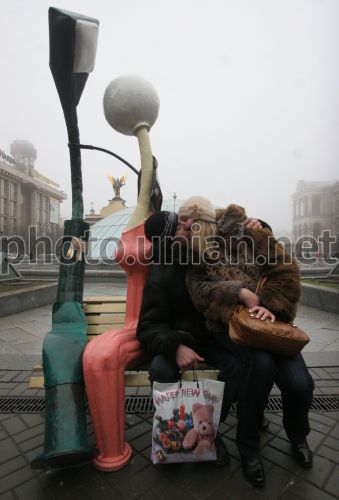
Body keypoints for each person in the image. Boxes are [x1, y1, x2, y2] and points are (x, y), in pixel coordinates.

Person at [182, 198, 314, 487]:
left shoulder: (250, 232)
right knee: (259, 369)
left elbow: (285, 272)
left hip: (273, 326)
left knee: (300, 384)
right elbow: (201, 292)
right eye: (186, 223)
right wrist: (238, 292)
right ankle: (249, 448)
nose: (190, 228)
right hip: (236, 329)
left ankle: (298, 435)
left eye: (195, 222)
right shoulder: (196, 252)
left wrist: (270, 305)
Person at [136, 199, 267, 469]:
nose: (188, 223)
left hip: (208, 339)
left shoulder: (202, 253)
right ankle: (172, 440)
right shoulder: (161, 275)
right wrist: (175, 346)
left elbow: (230, 229)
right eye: (179, 224)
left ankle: (210, 431)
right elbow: (147, 327)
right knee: (161, 370)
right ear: (168, 238)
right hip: (179, 342)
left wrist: (260, 226)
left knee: (238, 365)